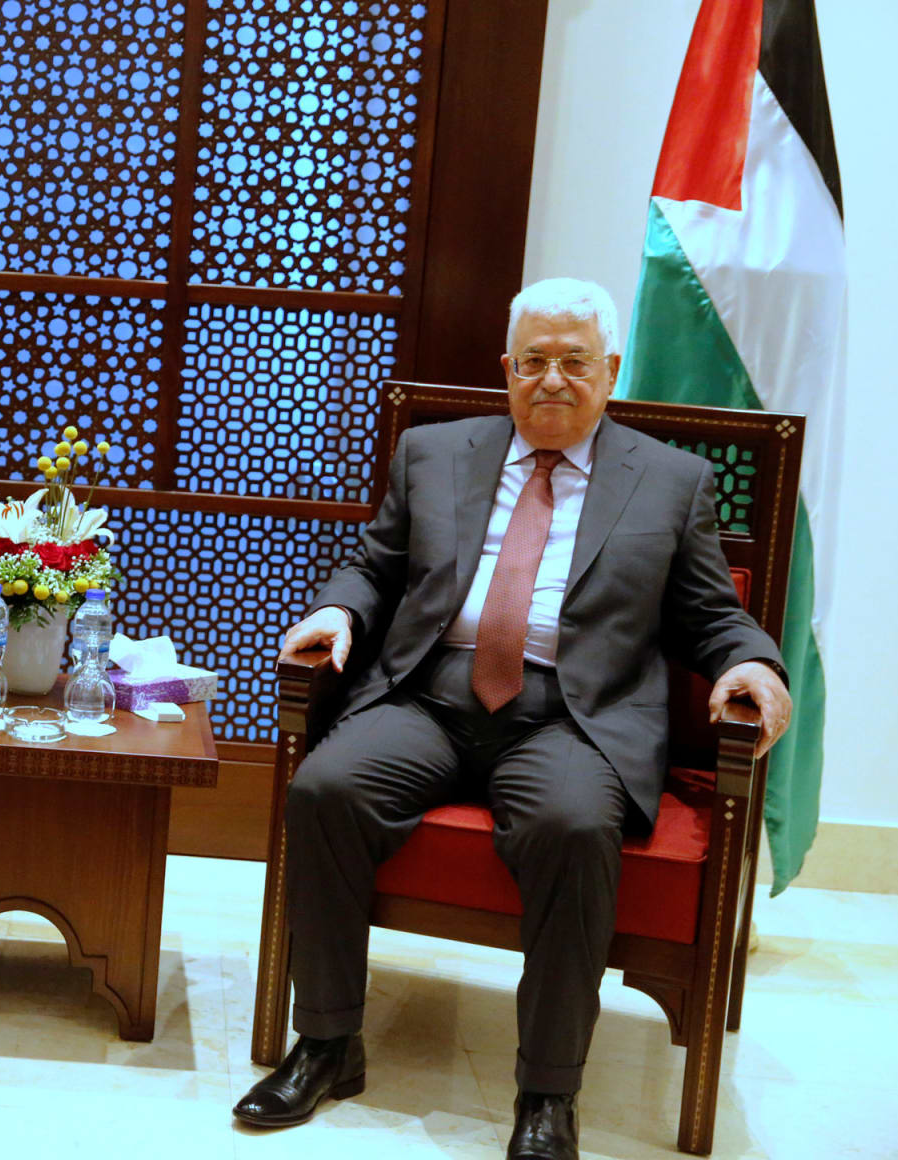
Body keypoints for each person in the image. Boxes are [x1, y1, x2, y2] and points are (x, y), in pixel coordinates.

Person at [233, 278, 791, 1159]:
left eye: (574, 362)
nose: (552, 380)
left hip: (572, 716)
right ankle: (330, 1043)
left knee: (573, 827)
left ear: (610, 371)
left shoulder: (672, 481)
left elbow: (710, 613)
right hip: (431, 695)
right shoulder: (433, 451)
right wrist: (338, 613)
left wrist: (750, 662)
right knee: (325, 788)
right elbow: (373, 568)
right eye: (533, 361)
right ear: (507, 368)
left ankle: (546, 1093)